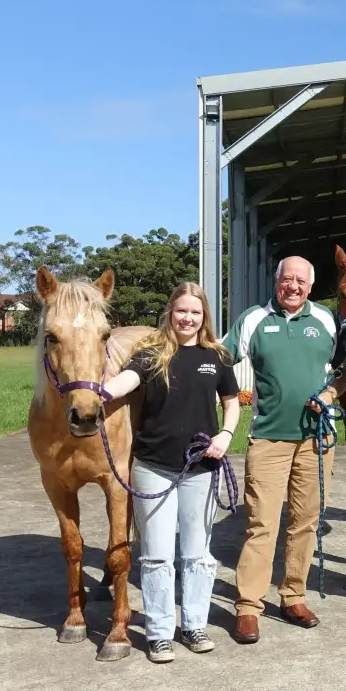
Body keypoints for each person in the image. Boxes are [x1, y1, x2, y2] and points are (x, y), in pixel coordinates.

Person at [102, 282, 240, 663]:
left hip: (201, 467)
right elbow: (126, 381)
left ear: (204, 316)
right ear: (170, 312)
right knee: (157, 556)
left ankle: (195, 624)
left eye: (195, 312)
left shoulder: (217, 356)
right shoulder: (150, 355)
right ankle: (160, 632)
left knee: (197, 554)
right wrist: (98, 394)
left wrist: (226, 434)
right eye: (182, 311)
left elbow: (232, 403)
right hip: (153, 467)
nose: (188, 318)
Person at [222, 255, 346, 645]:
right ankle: (248, 606)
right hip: (268, 440)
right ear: (276, 282)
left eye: (300, 281)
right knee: (262, 523)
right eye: (286, 279)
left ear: (311, 286)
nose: (293, 286)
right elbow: (220, 360)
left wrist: (330, 392)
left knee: (305, 521)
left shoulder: (327, 321)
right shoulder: (254, 319)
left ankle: (293, 596)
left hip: (315, 440)